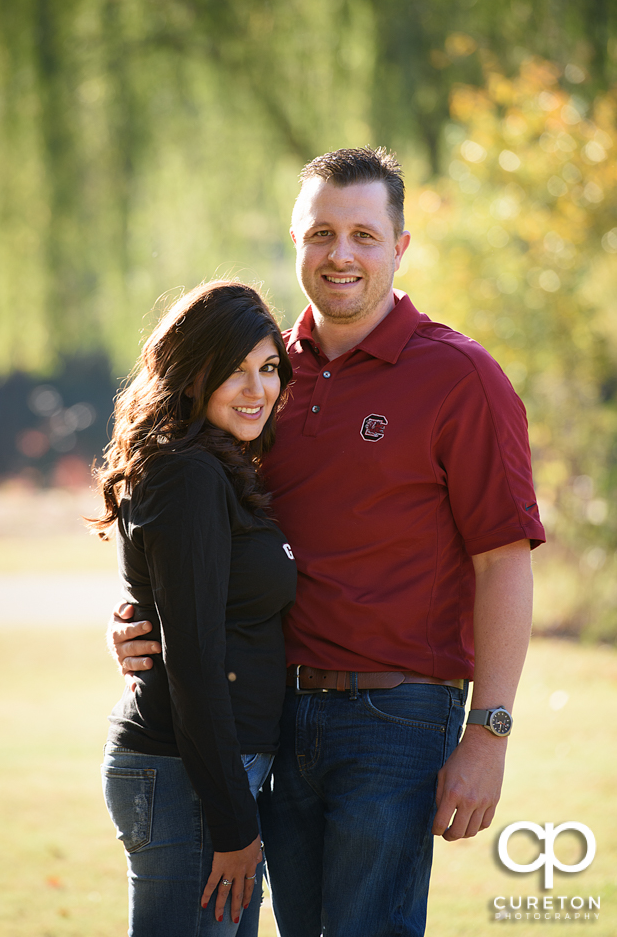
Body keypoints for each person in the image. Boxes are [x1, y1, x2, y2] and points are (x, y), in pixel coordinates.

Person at [110, 148, 546, 937]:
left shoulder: (460, 378)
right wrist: (143, 613)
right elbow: (195, 525)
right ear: (294, 241)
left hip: (396, 718)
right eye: (320, 234)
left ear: (399, 246)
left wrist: (489, 730)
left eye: (363, 235)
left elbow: (501, 560)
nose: (340, 255)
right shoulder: (260, 374)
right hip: (271, 719)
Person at [91, 281, 297, 937]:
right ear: (191, 373)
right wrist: (235, 827)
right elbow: (195, 663)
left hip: (206, 772)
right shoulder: (189, 474)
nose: (256, 390)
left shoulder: (211, 466)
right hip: (188, 775)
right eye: (233, 371)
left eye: (267, 369)